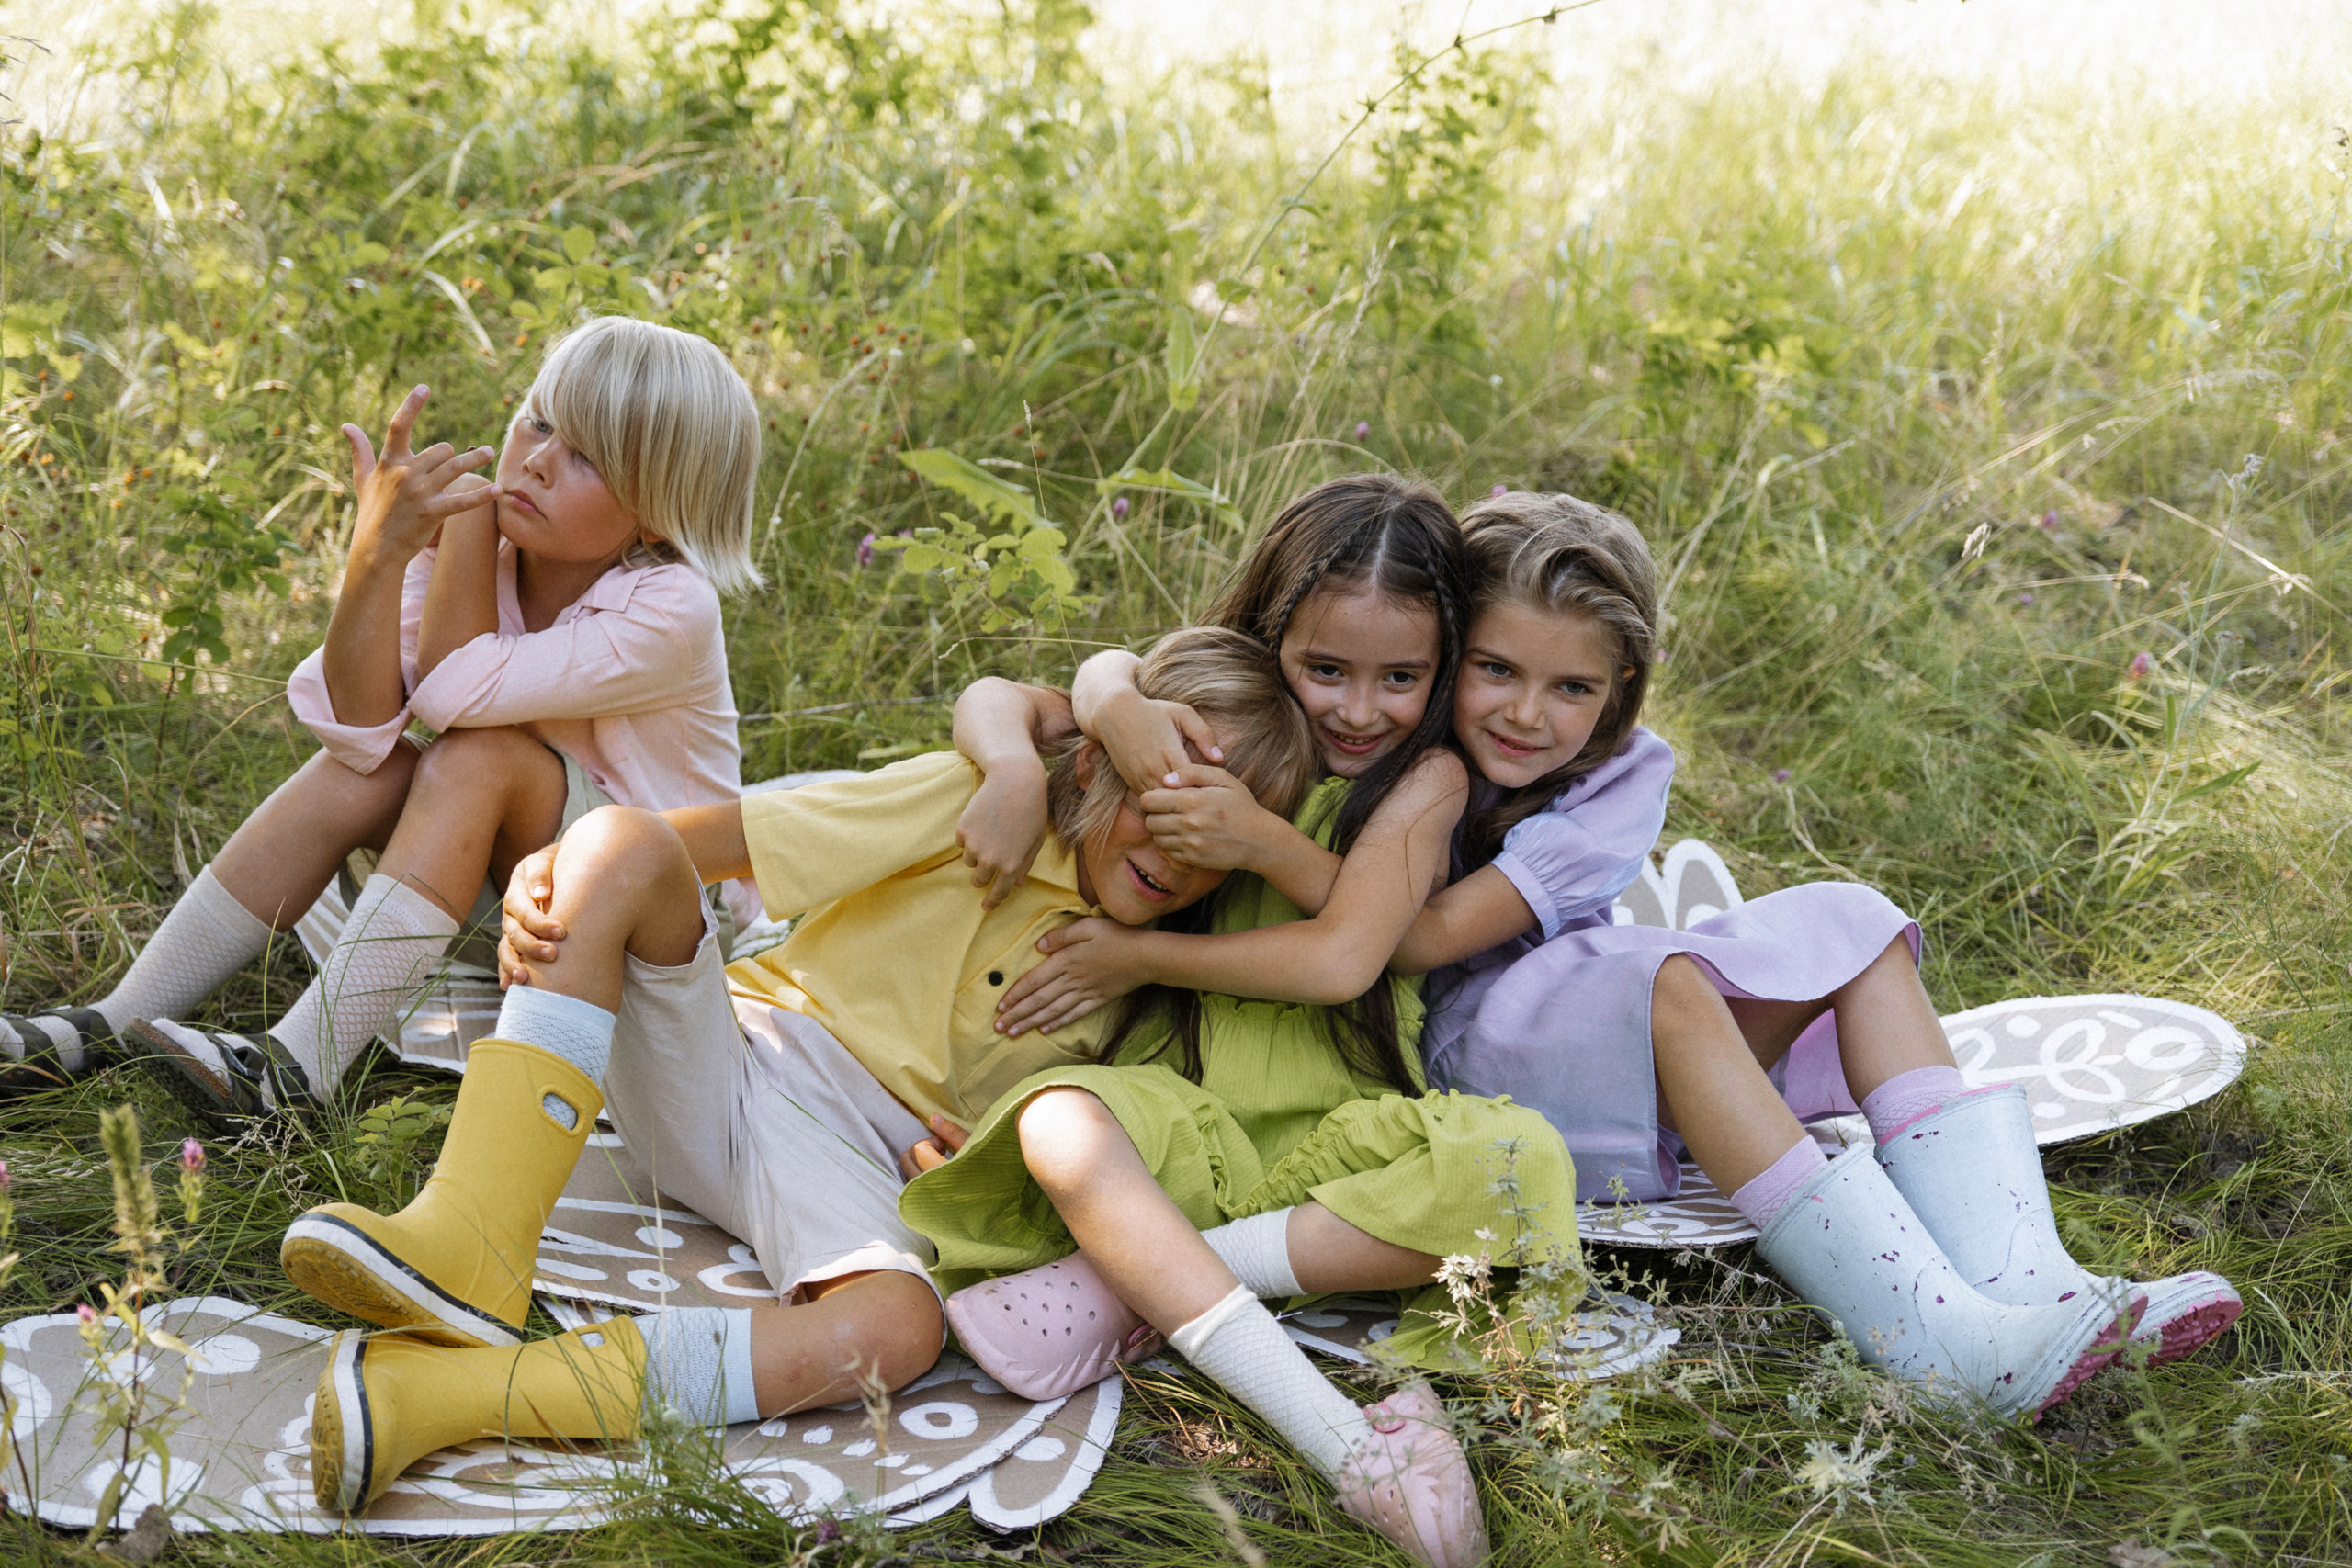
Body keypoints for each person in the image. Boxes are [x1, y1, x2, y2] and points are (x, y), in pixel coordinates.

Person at [282, 628, 1323, 1516]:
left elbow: (1080, 1152)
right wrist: (565, 871)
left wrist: (988, 1167)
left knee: (894, 1335)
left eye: (1215, 845)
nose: (1180, 857)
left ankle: (436, 1395)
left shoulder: (1166, 983)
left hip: (856, 1170)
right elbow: (693, 846)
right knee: (622, 847)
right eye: (1160, 802)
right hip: (736, 1055)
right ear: (1095, 766)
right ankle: (470, 1241)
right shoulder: (980, 808)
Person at [1396, 490, 2239, 1396]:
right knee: (1668, 981)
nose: (1528, 714)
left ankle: (2030, 1290)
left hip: (1597, 1028)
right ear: (1450, 652)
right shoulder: (1401, 754)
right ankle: (1932, 1343)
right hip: (1474, 1061)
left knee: (1853, 919)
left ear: (1620, 692)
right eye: (1496, 669)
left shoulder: (1624, 768)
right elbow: (1423, 942)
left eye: (1573, 688)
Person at [910, 476, 1578, 1568]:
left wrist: (1177, 918)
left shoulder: (1426, 785)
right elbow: (1000, 697)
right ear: (1270, 637)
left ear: (1441, 669)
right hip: (1187, 1122)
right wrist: (1109, 700)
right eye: (1325, 671)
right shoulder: (1209, 730)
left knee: (1516, 1161)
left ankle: (1135, 1279)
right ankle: (1349, 1447)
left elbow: (1343, 957)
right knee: (1062, 1129)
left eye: (1401, 678)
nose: (1359, 711)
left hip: (1346, 1160)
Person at [1, 316, 765, 1121]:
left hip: (656, 921)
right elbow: (357, 731)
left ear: (655, 516)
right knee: (392, 762)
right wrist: (377, 553)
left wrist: (462, 524)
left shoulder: (673, 606)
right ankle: (110, 1023)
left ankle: (298, 1069)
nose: (536, 461)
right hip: (519, 902)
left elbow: (451, 696)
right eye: (538, 421)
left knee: (476, 756)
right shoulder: (484, 552)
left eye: (586, 458)